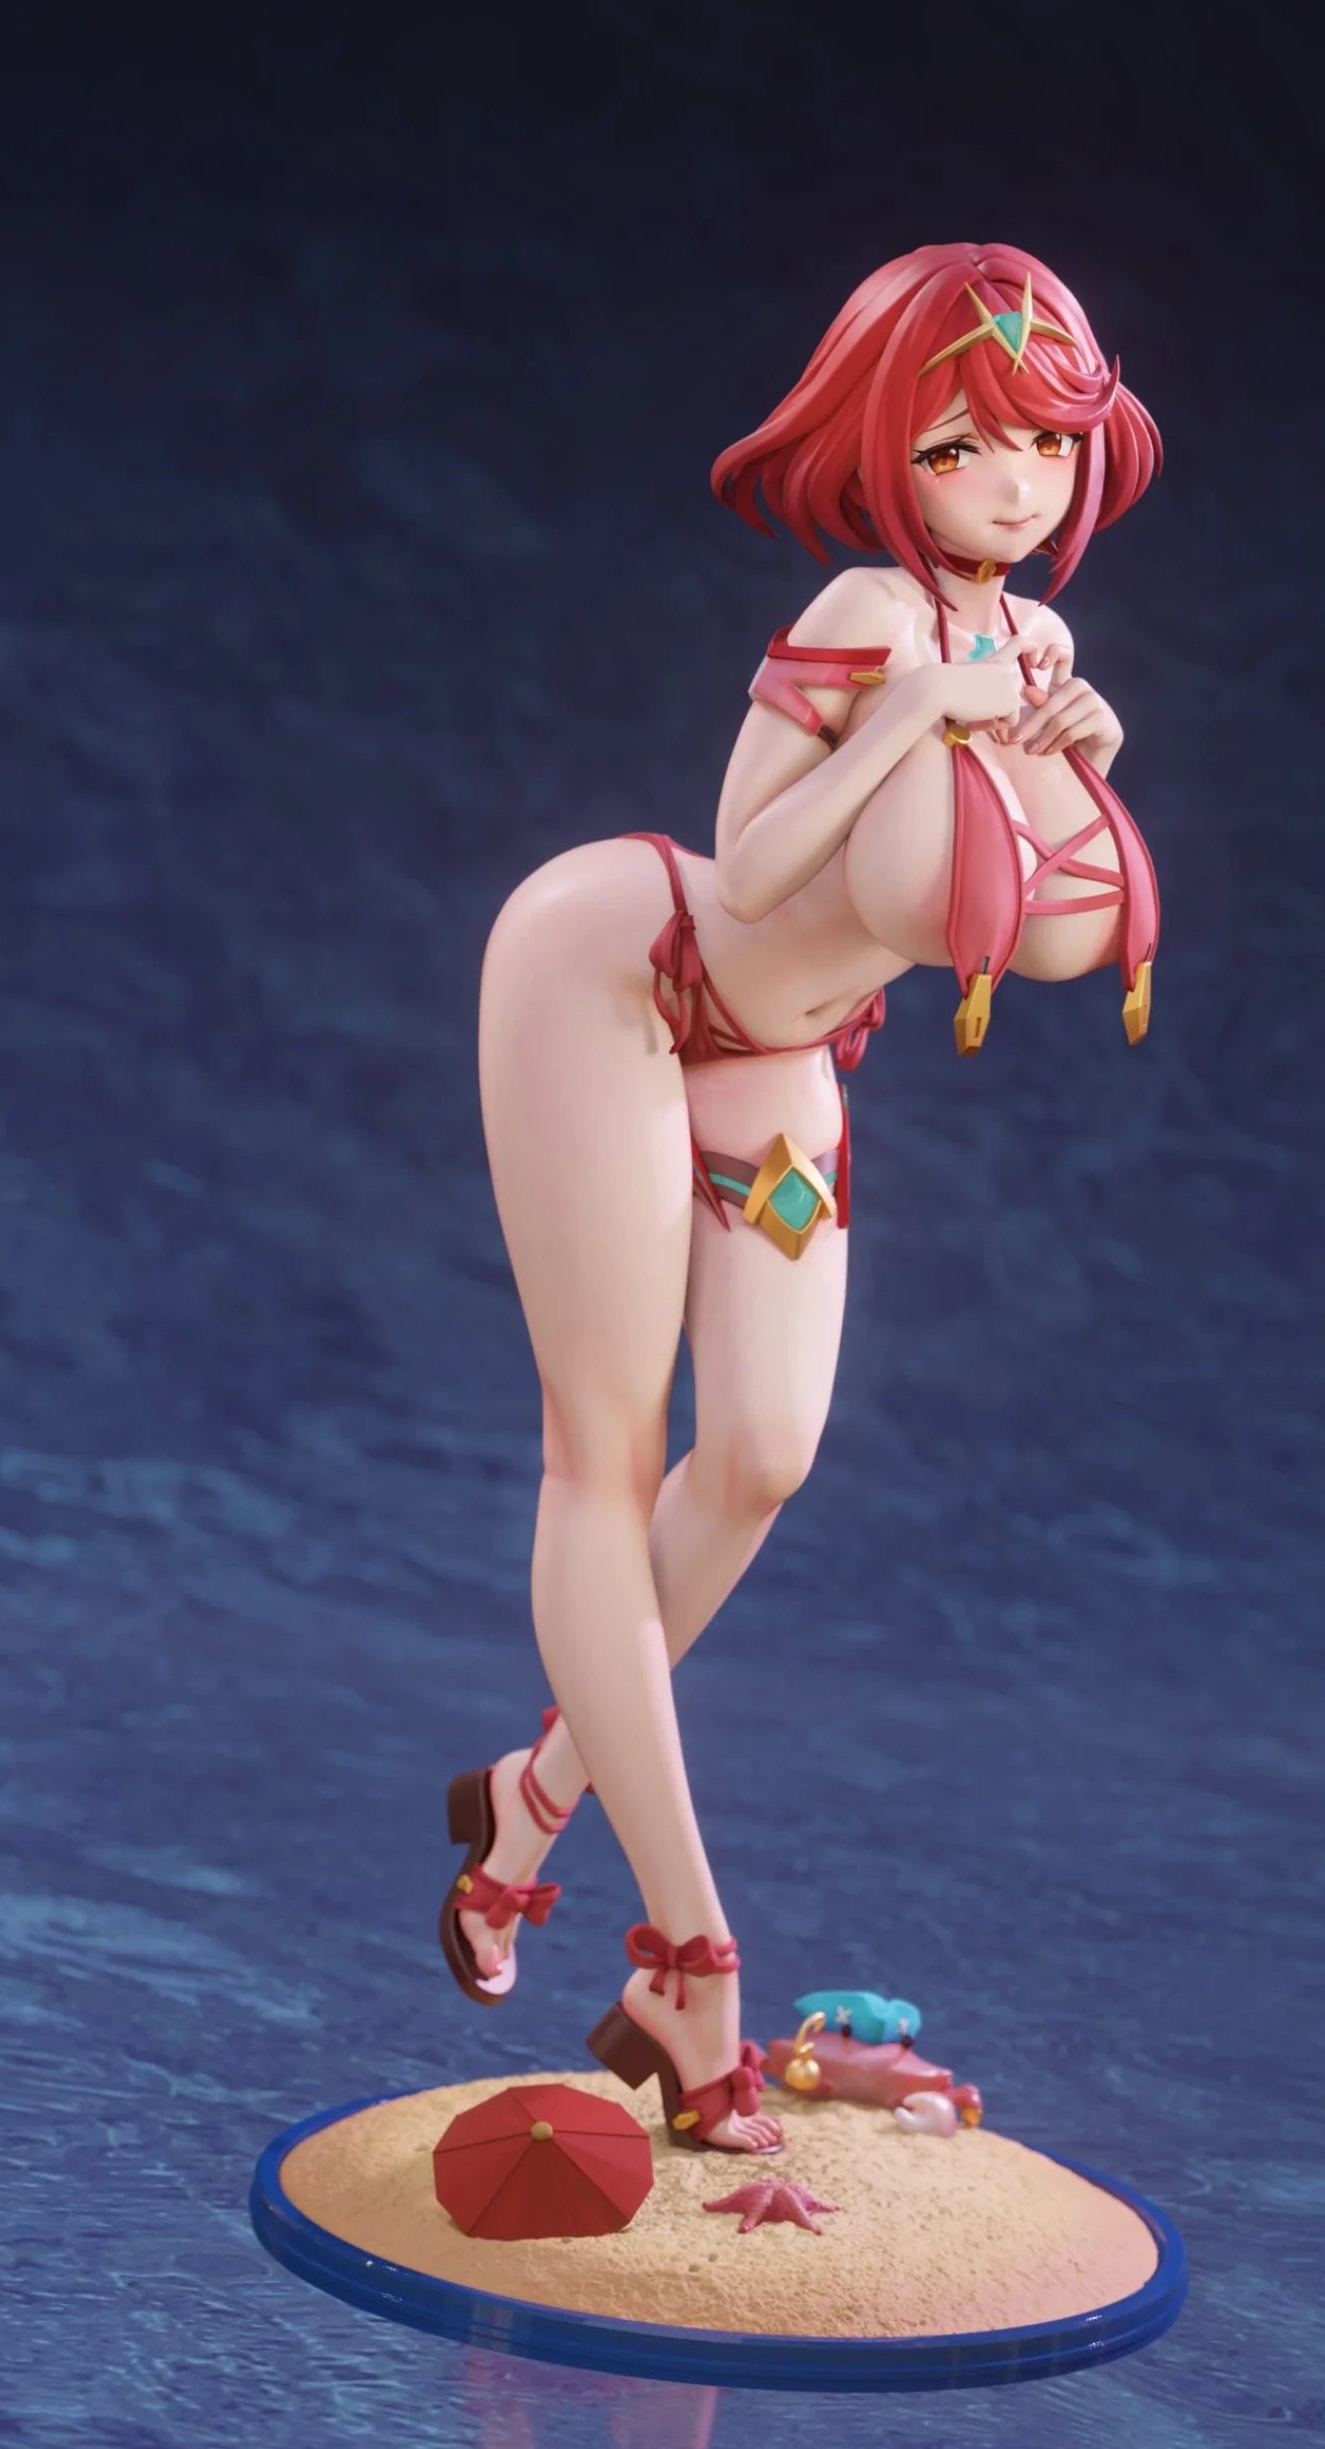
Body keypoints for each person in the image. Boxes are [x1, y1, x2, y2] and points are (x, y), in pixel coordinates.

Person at [437, 242, 1161, 2157]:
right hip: (622, 969)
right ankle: (690, 1959)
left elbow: (1035, 913)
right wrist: (916, 717)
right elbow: (750, 868)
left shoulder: (1032, 648)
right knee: (606, 1456)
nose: (1013, 483)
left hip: (787, 1054)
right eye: (963, 443)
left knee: (762, 1454)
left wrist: (1068, 752)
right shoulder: (862, 615)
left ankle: (529, 1801)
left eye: (1047, 442)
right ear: (889, 447)